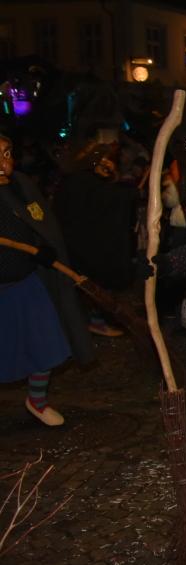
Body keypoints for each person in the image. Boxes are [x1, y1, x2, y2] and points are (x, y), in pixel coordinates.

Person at [0, 134, 95, 425]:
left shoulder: (19, 184)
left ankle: (37, 401)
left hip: (26, 283)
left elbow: (38, 220)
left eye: (6, 153)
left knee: (48, 345)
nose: (3, 162)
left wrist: (44, 248)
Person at [51, 146, 139, 336]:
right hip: (86, 245)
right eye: (102, 161)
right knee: (98, 281)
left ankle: (87, 321)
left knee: (89, 284)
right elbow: (113, 197)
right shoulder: (84, 182)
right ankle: (95, 322)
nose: (107, 165)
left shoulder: (82, 180)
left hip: (79, 242)